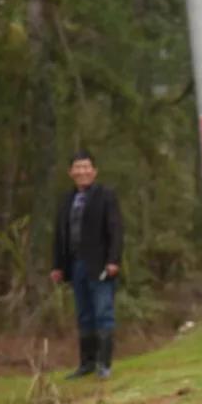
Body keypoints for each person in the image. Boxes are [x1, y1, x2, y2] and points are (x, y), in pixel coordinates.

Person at [50, 150, 124, 380]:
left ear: (94, 171)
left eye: (86, 167)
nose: (82, 171)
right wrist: (58, 266)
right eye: (77, 168)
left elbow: (116, 231)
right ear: (71, 172)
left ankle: (104, 364)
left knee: (103, 312)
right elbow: (59, 235)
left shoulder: (106, 196)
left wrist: (113, 260)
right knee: (84, 315)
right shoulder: (67, 199)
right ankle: (86, 363)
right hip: (76, 265)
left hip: (100, 265)